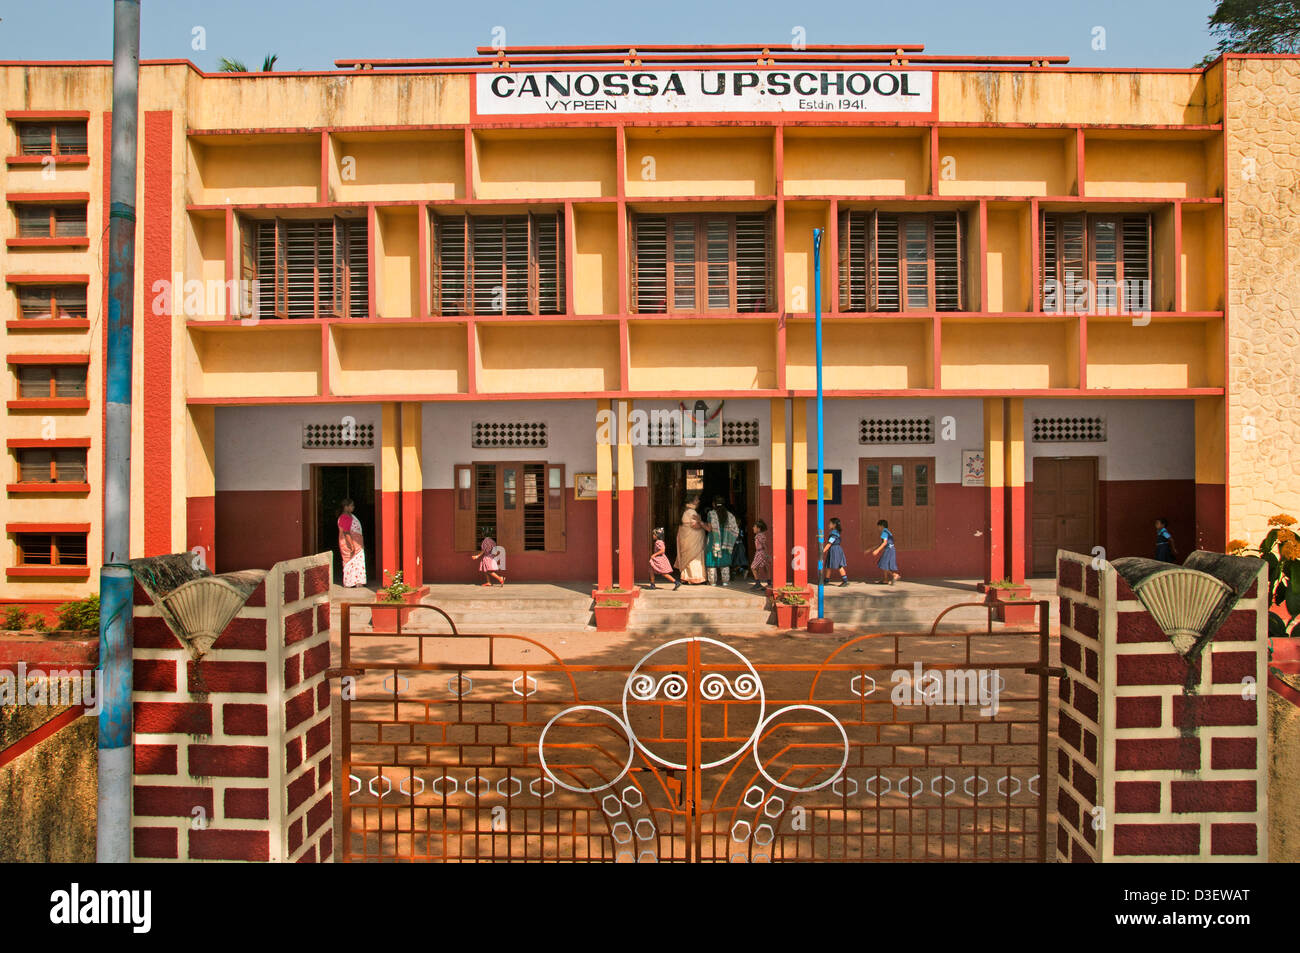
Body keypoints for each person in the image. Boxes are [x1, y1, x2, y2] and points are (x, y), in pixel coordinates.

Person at [705, 496, 740, 586]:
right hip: (726, 542)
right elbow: (735, 529)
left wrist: (701, 523)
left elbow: (709, 528)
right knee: (724, 562)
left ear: (714, 504)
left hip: (714, 541)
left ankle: (712, 582)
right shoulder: (730, 515)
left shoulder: (711, 514)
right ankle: (725, 582)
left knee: (712, 561)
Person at [675, 495, 708, 584]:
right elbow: (695, 525)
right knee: (694, 558)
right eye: (697, 499)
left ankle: (686, 577)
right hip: (693, 540)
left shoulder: (686, 511)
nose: (698, 501)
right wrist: (701, 522)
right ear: (692, 501)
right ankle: (695, 578)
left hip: (688, 540)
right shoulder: (691, 512)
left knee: (689, 559)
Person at [337, 498, 366, 588]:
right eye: (351, 505)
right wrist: (351, 545)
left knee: (357, 562)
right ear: (346, 507)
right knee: (351, 561)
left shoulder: (350, 516)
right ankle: (350, 582)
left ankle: (357, 582)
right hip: (349, 543)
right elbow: (346, 532)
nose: (353, 507)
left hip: (357, 544)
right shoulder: (345, 517)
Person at [872, 518, 900, 585]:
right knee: (884, 564)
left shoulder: (884, 532)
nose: (878, 528)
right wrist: (872, 548)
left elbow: (884, 543)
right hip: (891, 550)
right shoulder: (888, 531)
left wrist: (877, 550)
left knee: (883, 564)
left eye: (878, 526)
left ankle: (894, 575)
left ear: (881, 526)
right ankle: (885, 580)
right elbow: (884, 543)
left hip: (888, 550)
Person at [822, 516, 849, 586]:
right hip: (835, 549)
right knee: (829, 565)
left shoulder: (834, 534)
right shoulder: (835, 532)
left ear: (834, 525)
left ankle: (845, 581)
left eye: (830, 523)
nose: (829, 525)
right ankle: (826, 580)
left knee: (839, 566)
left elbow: (829, 543)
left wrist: (823, 551)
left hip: (835, 550)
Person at [750, 518, 771, 590]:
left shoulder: (759, 536)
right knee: (765, 568)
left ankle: (758, 583)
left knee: (753, 567)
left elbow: (764, 544)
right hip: (762, 553)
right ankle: (769, 583)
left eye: (754, 527)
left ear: (758, 529)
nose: (753, 528)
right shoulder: (761, 535)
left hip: (760, 553)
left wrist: (766, 554)